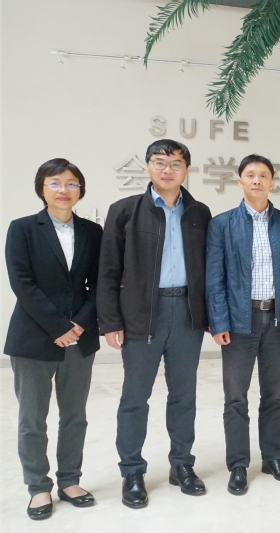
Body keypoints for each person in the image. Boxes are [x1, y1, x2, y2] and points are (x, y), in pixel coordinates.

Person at [97, 139, 212, 508]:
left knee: (184, 396)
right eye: (160, 162)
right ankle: (132, 471)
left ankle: (182, 464)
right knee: (135, 397)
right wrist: (110, 321)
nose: (167, 169)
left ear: (186, 169)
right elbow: (108, 271)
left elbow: (208, 269)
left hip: (187, 314)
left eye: (176, 163)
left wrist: (209, 315)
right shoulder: (125, 211)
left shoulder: (199, 212)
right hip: (141, 315)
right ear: (148, 166)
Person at [5, 159, 103, 520]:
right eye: (55, 183)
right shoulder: (23, 229)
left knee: (75, 415)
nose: (64, 190)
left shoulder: (92, 232)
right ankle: (38, 487)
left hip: (80, 336)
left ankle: (70, 480)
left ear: (81, 189)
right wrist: (57, 326)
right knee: (33, 418)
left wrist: (79, 324)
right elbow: (22, 283)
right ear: (41, 188)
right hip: (34, 337)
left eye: (72, 183)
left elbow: (100, 284)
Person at [206, 154, 280, 495]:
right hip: (238, 322)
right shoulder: (222, 224)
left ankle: (273, 458)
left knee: (274, 395)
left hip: (276, 320)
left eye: (263, 175)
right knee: (236, 397)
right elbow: (214, 278)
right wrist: (219, 321)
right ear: (240, 181)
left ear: (272, 182)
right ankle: (238, 465)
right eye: (250, 174)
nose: (257, 180)